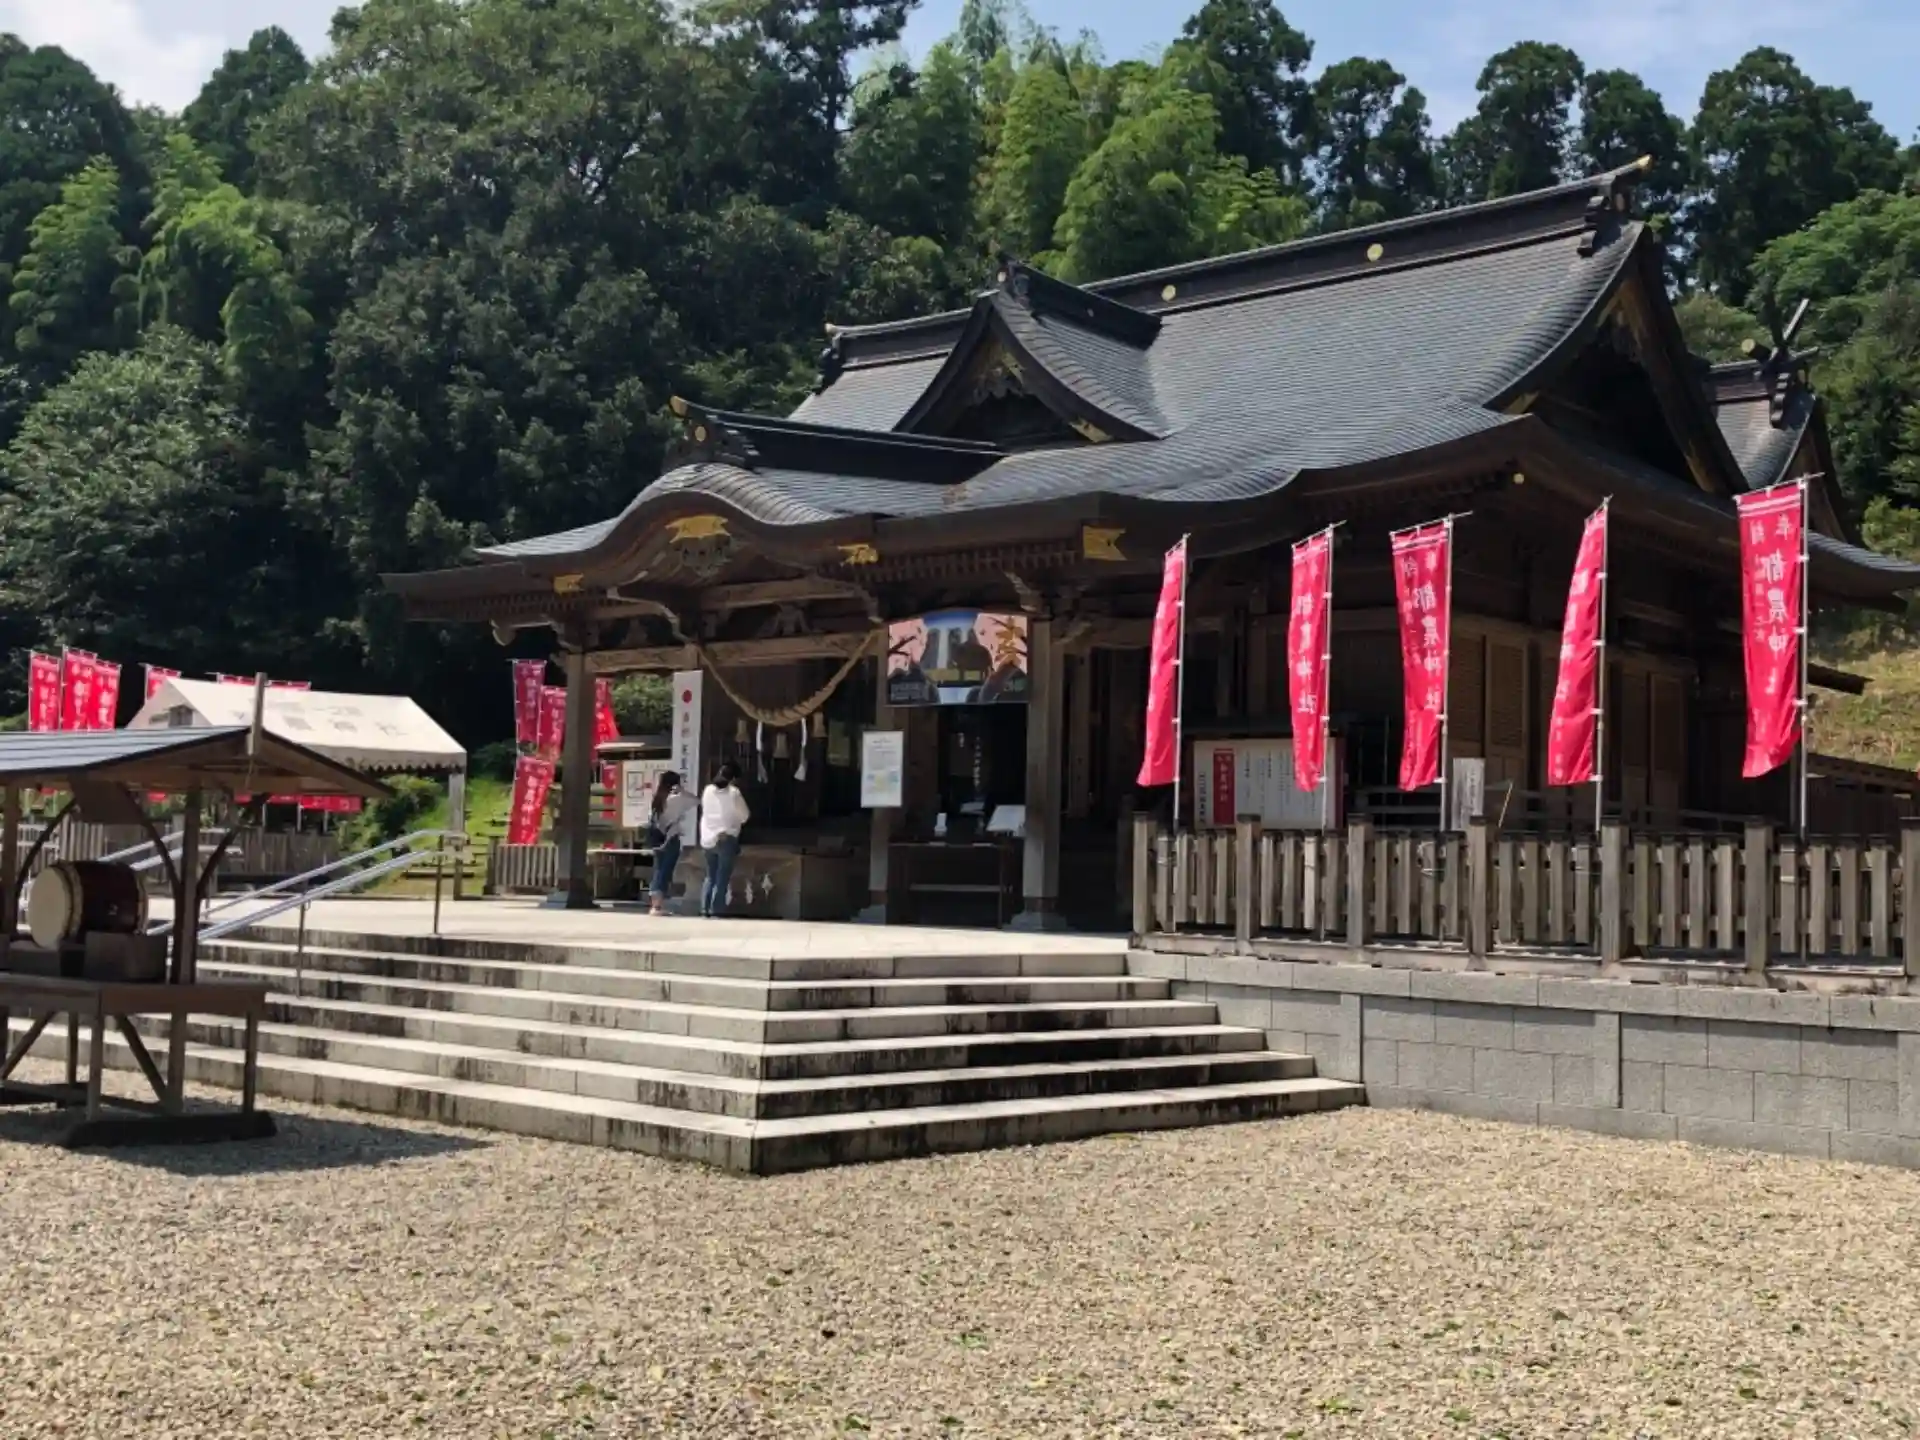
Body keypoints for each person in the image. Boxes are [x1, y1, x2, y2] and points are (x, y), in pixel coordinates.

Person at [698, 761, 750, 918]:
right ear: (733, 779)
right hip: (726, 837)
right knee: (722, 877)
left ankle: (704, 908)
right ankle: (716, 909)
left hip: (708, 838)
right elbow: (744, 815)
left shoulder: (707, 790)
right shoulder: (734, 793)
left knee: (710, 875)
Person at [646, 771, 695, 916]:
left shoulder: (657, 799)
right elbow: (696, 800)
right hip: (670, 839)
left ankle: (655, 904)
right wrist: (682, 791)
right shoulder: (676, 799)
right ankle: (657, 905)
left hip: (658, 839)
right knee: (665, 871)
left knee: (659, 869)